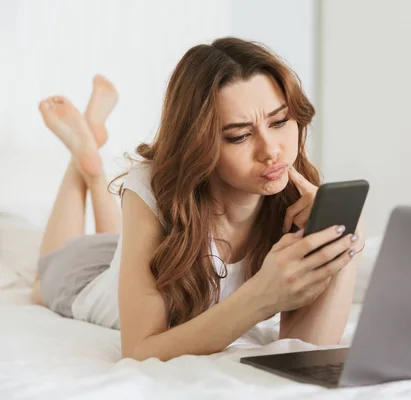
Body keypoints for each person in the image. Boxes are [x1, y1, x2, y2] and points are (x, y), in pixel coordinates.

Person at [31, 37, 364, 361]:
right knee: (40, 280)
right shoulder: (152, 185)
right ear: (198, 143)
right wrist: (261, 295)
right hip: (86, 274)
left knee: (119, 241)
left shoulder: (293, 196)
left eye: (279, 121)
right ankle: (84, 161)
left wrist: (347, 241)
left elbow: (300, 348)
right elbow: (139, 351)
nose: (271, 150)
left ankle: (89, 149)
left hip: (134, 252)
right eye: (239, 135)